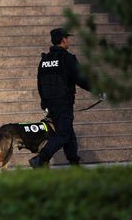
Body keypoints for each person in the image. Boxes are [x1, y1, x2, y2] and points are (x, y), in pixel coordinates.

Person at [29, 28, 93, 168]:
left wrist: (44, 103)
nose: (69, 40)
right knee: (63, 134)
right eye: (67, 38)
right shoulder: (67, 58)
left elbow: (40, 84)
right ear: (63, 39)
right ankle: (40, 159)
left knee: (68, 132)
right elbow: (81, 79)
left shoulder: (44, 60)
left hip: (50, 105)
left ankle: (74, 163)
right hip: (63, 103)